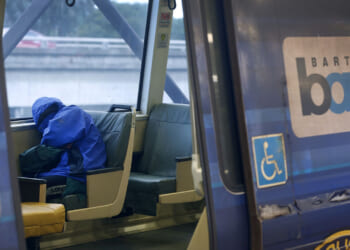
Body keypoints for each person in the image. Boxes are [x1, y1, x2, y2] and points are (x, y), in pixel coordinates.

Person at [31, 97, 106, 200]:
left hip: (81, 174)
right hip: (66, 170)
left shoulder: (73, 113)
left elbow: (52, 138)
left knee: (32, 189)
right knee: (27, 183)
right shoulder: (56, 123)